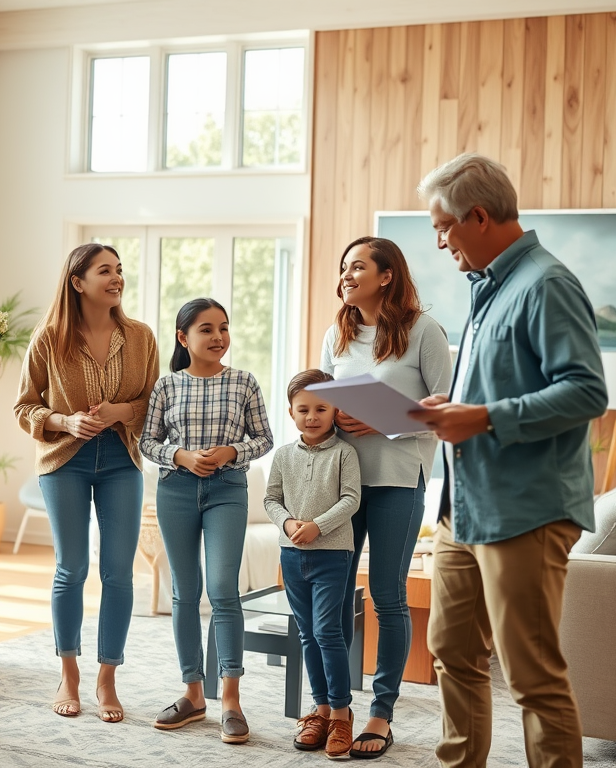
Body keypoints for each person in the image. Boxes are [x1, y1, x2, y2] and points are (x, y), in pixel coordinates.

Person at [409, 153, 608, 768]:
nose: (439, 242)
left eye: (443, 227)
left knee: (532, 676)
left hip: (525, 511)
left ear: (479, 215)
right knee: (451, 653)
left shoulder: (545, 283)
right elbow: (499, 386)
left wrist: (484, 417)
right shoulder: (488, 288)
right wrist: (459, 404)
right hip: (461, 509)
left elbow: (586, 391)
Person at [320, 235, 452, 758]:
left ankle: (381, 712)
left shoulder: (425, 332)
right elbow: (320, 400)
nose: (347, 276)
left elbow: (445, 412)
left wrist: (383, 420)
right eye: (344, 268)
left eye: (357, 267)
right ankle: (334, 708)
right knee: (333, 597)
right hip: (342, 484)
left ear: (387, 275)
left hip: (399, 478)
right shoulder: (338, 333)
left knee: (388, 596)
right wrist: (329, 414)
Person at [14, 242, 158, 723]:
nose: (117, 278)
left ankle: (106, 678)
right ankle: (69, 673)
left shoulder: (140, 337)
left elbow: (155, 404)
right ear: (78, 282)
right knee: (71, 568)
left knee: (118, 572)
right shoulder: (48, 338)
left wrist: (121, 412)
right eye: (105, 271)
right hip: (65, 461)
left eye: (119, 270)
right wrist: (63, 422)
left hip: (122, 459)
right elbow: (24, 407)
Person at [139, 298, 273, 745]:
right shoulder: (166, 385)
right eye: (206, 329)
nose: (218, 337)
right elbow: (147, 442)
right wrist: (180, 455)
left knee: (222, 589)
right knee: (183, 592)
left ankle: (231, 700)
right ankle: (193, 694)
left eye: (224, 328)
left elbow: (265, 438)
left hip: (228, 491)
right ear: (183, 338)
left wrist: (232, 451)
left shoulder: (243, 382)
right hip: (175, 490)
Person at [264, 369, 361, 760]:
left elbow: (351, 499)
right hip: (291, 555)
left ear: (335, 410)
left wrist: (317, 527)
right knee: (306, 634)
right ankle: (320, 712)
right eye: (303, 409)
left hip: (333, 555)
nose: (312, 416)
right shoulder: (284, 455)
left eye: (321, 408)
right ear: (291, 413)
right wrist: (288, 524)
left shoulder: (345, 453)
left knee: (327, 631)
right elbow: (271, 498)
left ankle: (341, 715)